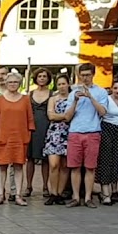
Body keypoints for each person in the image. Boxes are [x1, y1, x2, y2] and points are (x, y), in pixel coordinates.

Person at [64, 63, 109, 208]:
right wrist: (75, 101)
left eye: (88, 75)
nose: (85, 78)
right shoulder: (73, 93)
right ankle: (76, 197)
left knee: (90, 167)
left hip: (92, 132)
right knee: (75, 167)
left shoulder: (101, 92)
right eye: (82, 75)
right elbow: (67, 116)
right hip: (75, 132)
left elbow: (103, 112)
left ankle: (88, 197)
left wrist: (91, 97)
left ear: (93, 75)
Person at [0, 71, 34, 206]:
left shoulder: (25, 99)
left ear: (19, 83)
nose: (12, 84)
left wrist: (28, 136)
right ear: (6, 83)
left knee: (18, 166)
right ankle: (0, 195)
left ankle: (18, 195)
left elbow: (30, 120)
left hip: (20, 138)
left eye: (15, 82)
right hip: (3, 138)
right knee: (2, 167)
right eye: (10, 82)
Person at [96, 79, 118, 205]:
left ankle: (114, 190)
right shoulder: (107, 99)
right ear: (111, 89)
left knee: (116, 160)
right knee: (105, 159)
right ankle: (105, 191)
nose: (117, 91)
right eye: (115, 88)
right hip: (106, 128)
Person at [43, 73, 73, 205]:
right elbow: (51, 116)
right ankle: (53, 192)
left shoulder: (73, 98)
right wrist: (65, 116)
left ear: (68, 84)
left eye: (63, 84)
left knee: (65, 165)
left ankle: (59, 193)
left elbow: (73, 115)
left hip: (69, 133)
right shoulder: (53, 99)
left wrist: (60, 116)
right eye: (59, 84)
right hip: (54, 133)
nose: (61, 86)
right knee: (54, 164)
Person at [26, 69, 52, 198]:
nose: (42, 78)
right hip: (32, 128)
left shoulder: (52, 94)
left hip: (47, 128)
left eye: (44, 76)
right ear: (35, 78)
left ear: (48, 79)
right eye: (39, 76)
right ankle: (28, 186)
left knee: (45, 159)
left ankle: (45, 187)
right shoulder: (30, 94)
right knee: (30, 157)